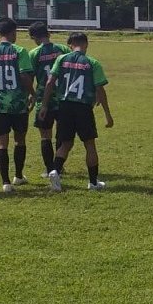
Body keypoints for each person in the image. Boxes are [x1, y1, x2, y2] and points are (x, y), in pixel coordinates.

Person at [42, 31, 114, 192]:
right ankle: (93, 182)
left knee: (65, 143)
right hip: (83, 107)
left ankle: (54, 170)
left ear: (69, 45)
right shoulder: (92, 63)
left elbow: (50, 82)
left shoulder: (61, 59)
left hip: (64, 106)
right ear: (86, 44)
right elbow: (100, 89)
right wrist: (107, 114)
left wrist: (45, 105)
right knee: (89, 144)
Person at [0, 18, 35, 193]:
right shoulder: (20, 51)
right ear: (13, 33)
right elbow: (25, 76)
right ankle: (18, 175)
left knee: (1, 142)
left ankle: (5, 182)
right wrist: (32, 92)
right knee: (20, 139)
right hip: (18, 103)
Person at [27, 21, 66, 177]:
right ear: (48, 33)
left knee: (45, 135)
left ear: (33, 37)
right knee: (61, 133)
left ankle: (50, 169)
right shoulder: (62, 49)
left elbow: (28, 77)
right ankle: (59, 167)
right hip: (63, 97)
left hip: (44, 98)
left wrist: (31, 95)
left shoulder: (34, 53)